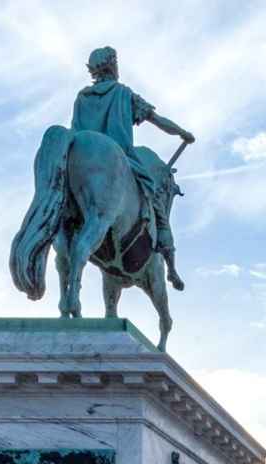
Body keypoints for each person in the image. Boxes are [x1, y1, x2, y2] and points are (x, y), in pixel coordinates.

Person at [71, 46, 194, 290]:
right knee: (155, 200)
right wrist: (182, 132)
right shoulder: (123, 94)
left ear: (93, 71)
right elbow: (158, 121)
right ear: (113, 66)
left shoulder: (82, 97)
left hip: (77, 165)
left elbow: (76, 133)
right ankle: (169, 263)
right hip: (122, 161)